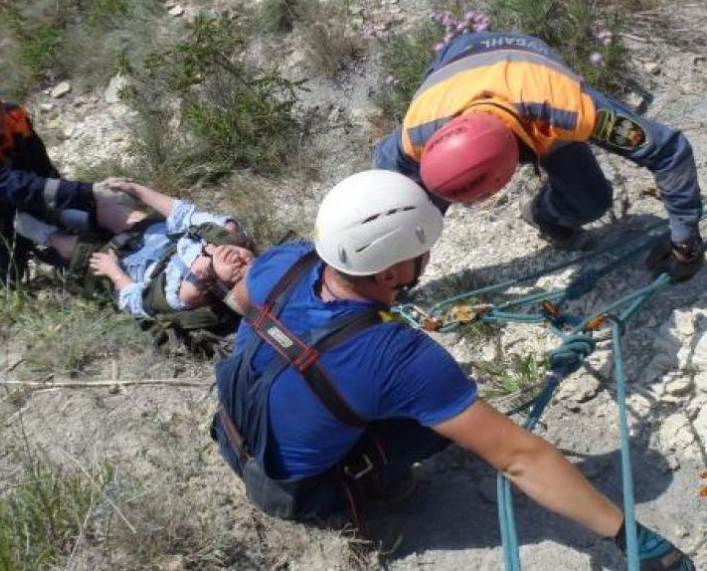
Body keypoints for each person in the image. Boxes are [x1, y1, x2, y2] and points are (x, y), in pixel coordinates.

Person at [212, 170, 695, 570]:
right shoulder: (400, 358)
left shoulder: (283, 262)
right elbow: (519, 458)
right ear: (388, 274)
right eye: (419, 254)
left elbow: (242, 306)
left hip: (233, 434)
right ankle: (374, 487)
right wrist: (628, 536)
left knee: (344, 388)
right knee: (443, 416)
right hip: (290, 491)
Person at [373, 31, 703, 281]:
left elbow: (669, 150)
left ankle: (545, 214)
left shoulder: (568, 112)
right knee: (417, 204)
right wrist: (393, 260)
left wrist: (685, 239)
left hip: (527, 68)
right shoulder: (417, 132)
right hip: (456, 62)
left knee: (591, 202)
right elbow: (385, 189)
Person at [0, 68, 107, 304]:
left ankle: (66, 264)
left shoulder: (15, 116)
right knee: (9, 270)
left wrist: (75, 197)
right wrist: (85, 191)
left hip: (31, 185)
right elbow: (18, 188)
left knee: (80, 229)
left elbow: (40, 164)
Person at [13, 179, 255, 332]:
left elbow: (138, 301)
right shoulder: (228, 235)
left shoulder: (189, 293)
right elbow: (182, 213)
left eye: (238, 273)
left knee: (85, 253)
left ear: (226, 289)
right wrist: (136, 190)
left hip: (135, 268)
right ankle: (70, 215)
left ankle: (48, 235)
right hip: (160, 238)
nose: (240, 261)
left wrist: (115, 273)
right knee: (115, 212)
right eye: (251, 261)